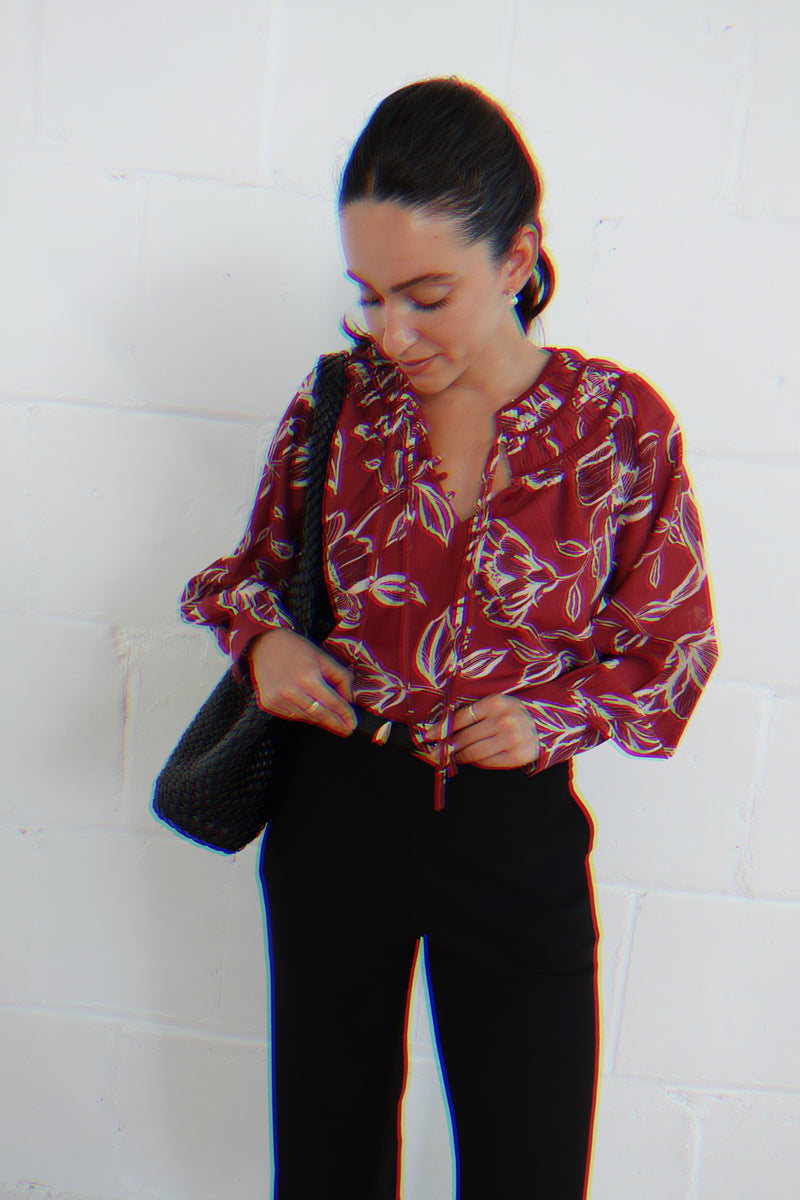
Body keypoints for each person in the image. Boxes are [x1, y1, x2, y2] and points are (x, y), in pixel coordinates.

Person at [179, 77, 719, 1199]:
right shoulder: (338, 406)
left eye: (426, 295)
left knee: (529, 1166)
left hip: (510, 832)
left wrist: (552, 716)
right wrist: (266, 646)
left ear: (517, 257)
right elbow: (244, 578)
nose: (393, 332)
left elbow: (670, 650)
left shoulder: (617, 426)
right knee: (326, 1164)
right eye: (369, 297)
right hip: (335, 812)